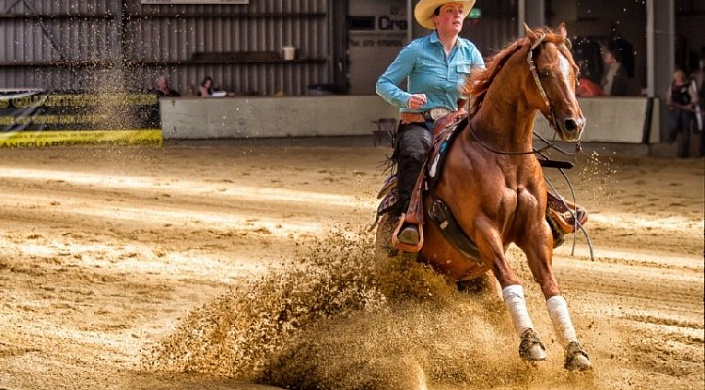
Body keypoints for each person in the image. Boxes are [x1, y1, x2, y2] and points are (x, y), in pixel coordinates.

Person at [376, 0, 484, 247]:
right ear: (435, 19)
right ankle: (408, 219)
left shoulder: (470, 52)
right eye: (450, 11)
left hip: (454, 122)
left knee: (488, 153)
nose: (457, 16)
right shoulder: (416, 50)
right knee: (415, 153)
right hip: (419, 123)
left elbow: (483, 86)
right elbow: (383, 83)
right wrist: (406, 98)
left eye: (460, 12)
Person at [666, 69, 699, 147]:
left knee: (685, 129)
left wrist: (690, 104)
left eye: (679, 76)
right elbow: (668, 97)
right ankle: (672, 138)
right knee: (673, 125)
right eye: (676, 76)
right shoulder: (672, 86)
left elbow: (695, 98)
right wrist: (669, 103)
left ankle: (685, 151)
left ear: (682, 77)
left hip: (685, 110)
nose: (677, 78)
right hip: (675, 109)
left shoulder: (688, 86)